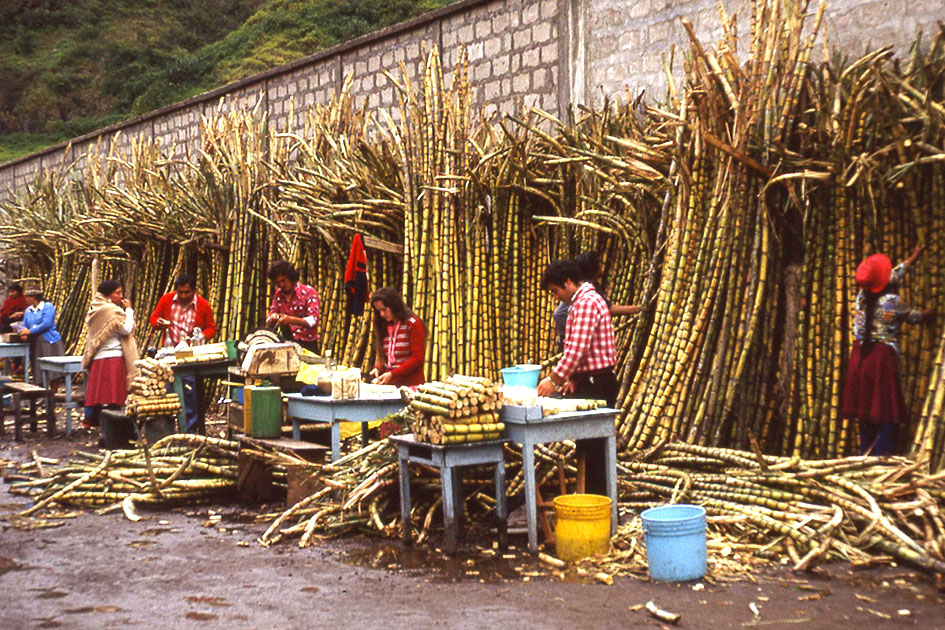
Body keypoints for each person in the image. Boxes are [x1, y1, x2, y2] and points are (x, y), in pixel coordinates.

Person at [841, 245, 934, 456]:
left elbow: (891, 276)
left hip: (859, 357)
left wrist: (913, 257)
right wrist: (930, 313)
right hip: (880, 360)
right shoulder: (893, 302)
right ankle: (882, 464)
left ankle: (864, 459)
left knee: (865, 411)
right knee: (886, 412)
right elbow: (915, 316)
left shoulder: (861, 296)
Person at [537, 260, 618, 495]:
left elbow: (577, 350)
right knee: (589, 445)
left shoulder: (585, 303)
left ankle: (598, 503)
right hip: (590, 381)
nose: (556, 297)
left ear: (569, 282)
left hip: (598, 384)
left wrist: (554, 380)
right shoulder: (583, 302)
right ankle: (593, 499)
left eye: (556, 291)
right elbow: (580, 352)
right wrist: (572, 380)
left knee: (595, 448)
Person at [149, 274, 217, 433]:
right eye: (180, 292)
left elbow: (211, 328)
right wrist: (158, 323)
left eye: (187, 292)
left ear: (194, 291)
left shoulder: (203, 305)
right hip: (168, 353)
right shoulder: (167, 300)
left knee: (189, 391)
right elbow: (154, 317)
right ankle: (167, 429)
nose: (183, 296)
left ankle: (189, 430)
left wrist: (200, 337)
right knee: (166, 391)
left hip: (190, 355)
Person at [553, 251, 641, 351]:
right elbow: (609, 309)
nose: (601, 265)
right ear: (592, 268)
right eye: (598, 263)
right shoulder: (585, 286)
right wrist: (637, 309)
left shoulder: (587, 284)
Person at [82, 280, 139, 429]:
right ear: (108, 294)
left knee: (103, 397)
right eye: (117, 293)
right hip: (112, 357)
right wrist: (129, 310)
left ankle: (105, 429)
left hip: (99, 358)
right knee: (113, 398)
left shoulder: (95, 307)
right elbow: (126, 330)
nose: (121, 296)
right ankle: (114, 430)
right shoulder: (109, 310)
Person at [368, 288, 425, 387]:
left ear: (393, 305)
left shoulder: (412, 324)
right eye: (379, 311)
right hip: (390, 387)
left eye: (384, 310)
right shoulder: (384, 327)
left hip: (411, 386)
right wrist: (378, 368)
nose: (381, 314)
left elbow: (417, 359)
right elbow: (387, 358)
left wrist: (393, 374)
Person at [265, 260, 321, 353]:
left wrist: (290, 320)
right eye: (278, 283)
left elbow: (313, 320)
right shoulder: (278, 294)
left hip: (308, 345)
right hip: (287, 345)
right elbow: (269, 321)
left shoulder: (308, 292)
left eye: (283, 280)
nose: (281, 285)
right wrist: (273, 318)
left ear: (291, 277)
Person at [18, 288, 65, 384]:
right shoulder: (28, 310)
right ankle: (41, 392)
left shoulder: (47, 307)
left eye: (28, 297)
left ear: (33, 298)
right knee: (38, 368)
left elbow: (46, 324)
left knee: (53, 370)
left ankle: (53, 392)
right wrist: (23, 332)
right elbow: (24, 324)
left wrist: (30, 332)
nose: (26, 299)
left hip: (49, 341)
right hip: (36, 342)